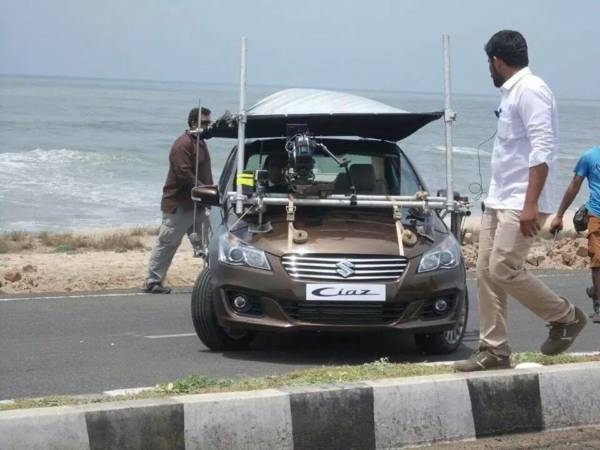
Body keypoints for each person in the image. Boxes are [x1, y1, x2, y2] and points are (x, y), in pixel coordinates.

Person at [455, 30, 587, 372]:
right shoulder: (511, 94)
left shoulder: (531, 90)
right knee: (485, 272)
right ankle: (494, 351)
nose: (489, 69)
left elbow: (543, 150)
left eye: (489, 62)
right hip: (500, 199)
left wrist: (531, 205)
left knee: (503, 268)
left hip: (521, 202)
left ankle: (565, 316)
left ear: (497, 61)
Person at [144, 107, 213, 294]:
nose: (208, 126)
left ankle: (216, 281)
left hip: (197, 204)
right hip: (179, 204)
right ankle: (153, 281)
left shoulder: (200, 142)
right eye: (204, 123)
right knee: (167, 243)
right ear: (193, 123)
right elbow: (184, 174)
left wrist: (210, 194)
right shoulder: (182, 144)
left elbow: (204, 173)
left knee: (208, 245)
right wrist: (204, 189)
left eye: (209, 123)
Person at [550, 147, 600, 322]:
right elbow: (574, 185)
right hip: (596, 215)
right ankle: (599, 305)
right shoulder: (589, 157)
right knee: (598, 259)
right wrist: (559, 215)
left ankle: (595, 290)